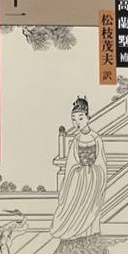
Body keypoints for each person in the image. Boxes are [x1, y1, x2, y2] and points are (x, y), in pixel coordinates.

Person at [49, 97, 107, 243]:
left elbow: (101, 161)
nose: (77, 123)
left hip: (93, 179)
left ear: (88, 118)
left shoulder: (96, 138)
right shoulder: (76, 140)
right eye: (74, 119)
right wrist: (78, 172)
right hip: (79, 179)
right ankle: (76, 238)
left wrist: (94, 172)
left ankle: (91, 239)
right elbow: (71, 163)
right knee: (76, 208)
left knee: (91, 209)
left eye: (81, 118)